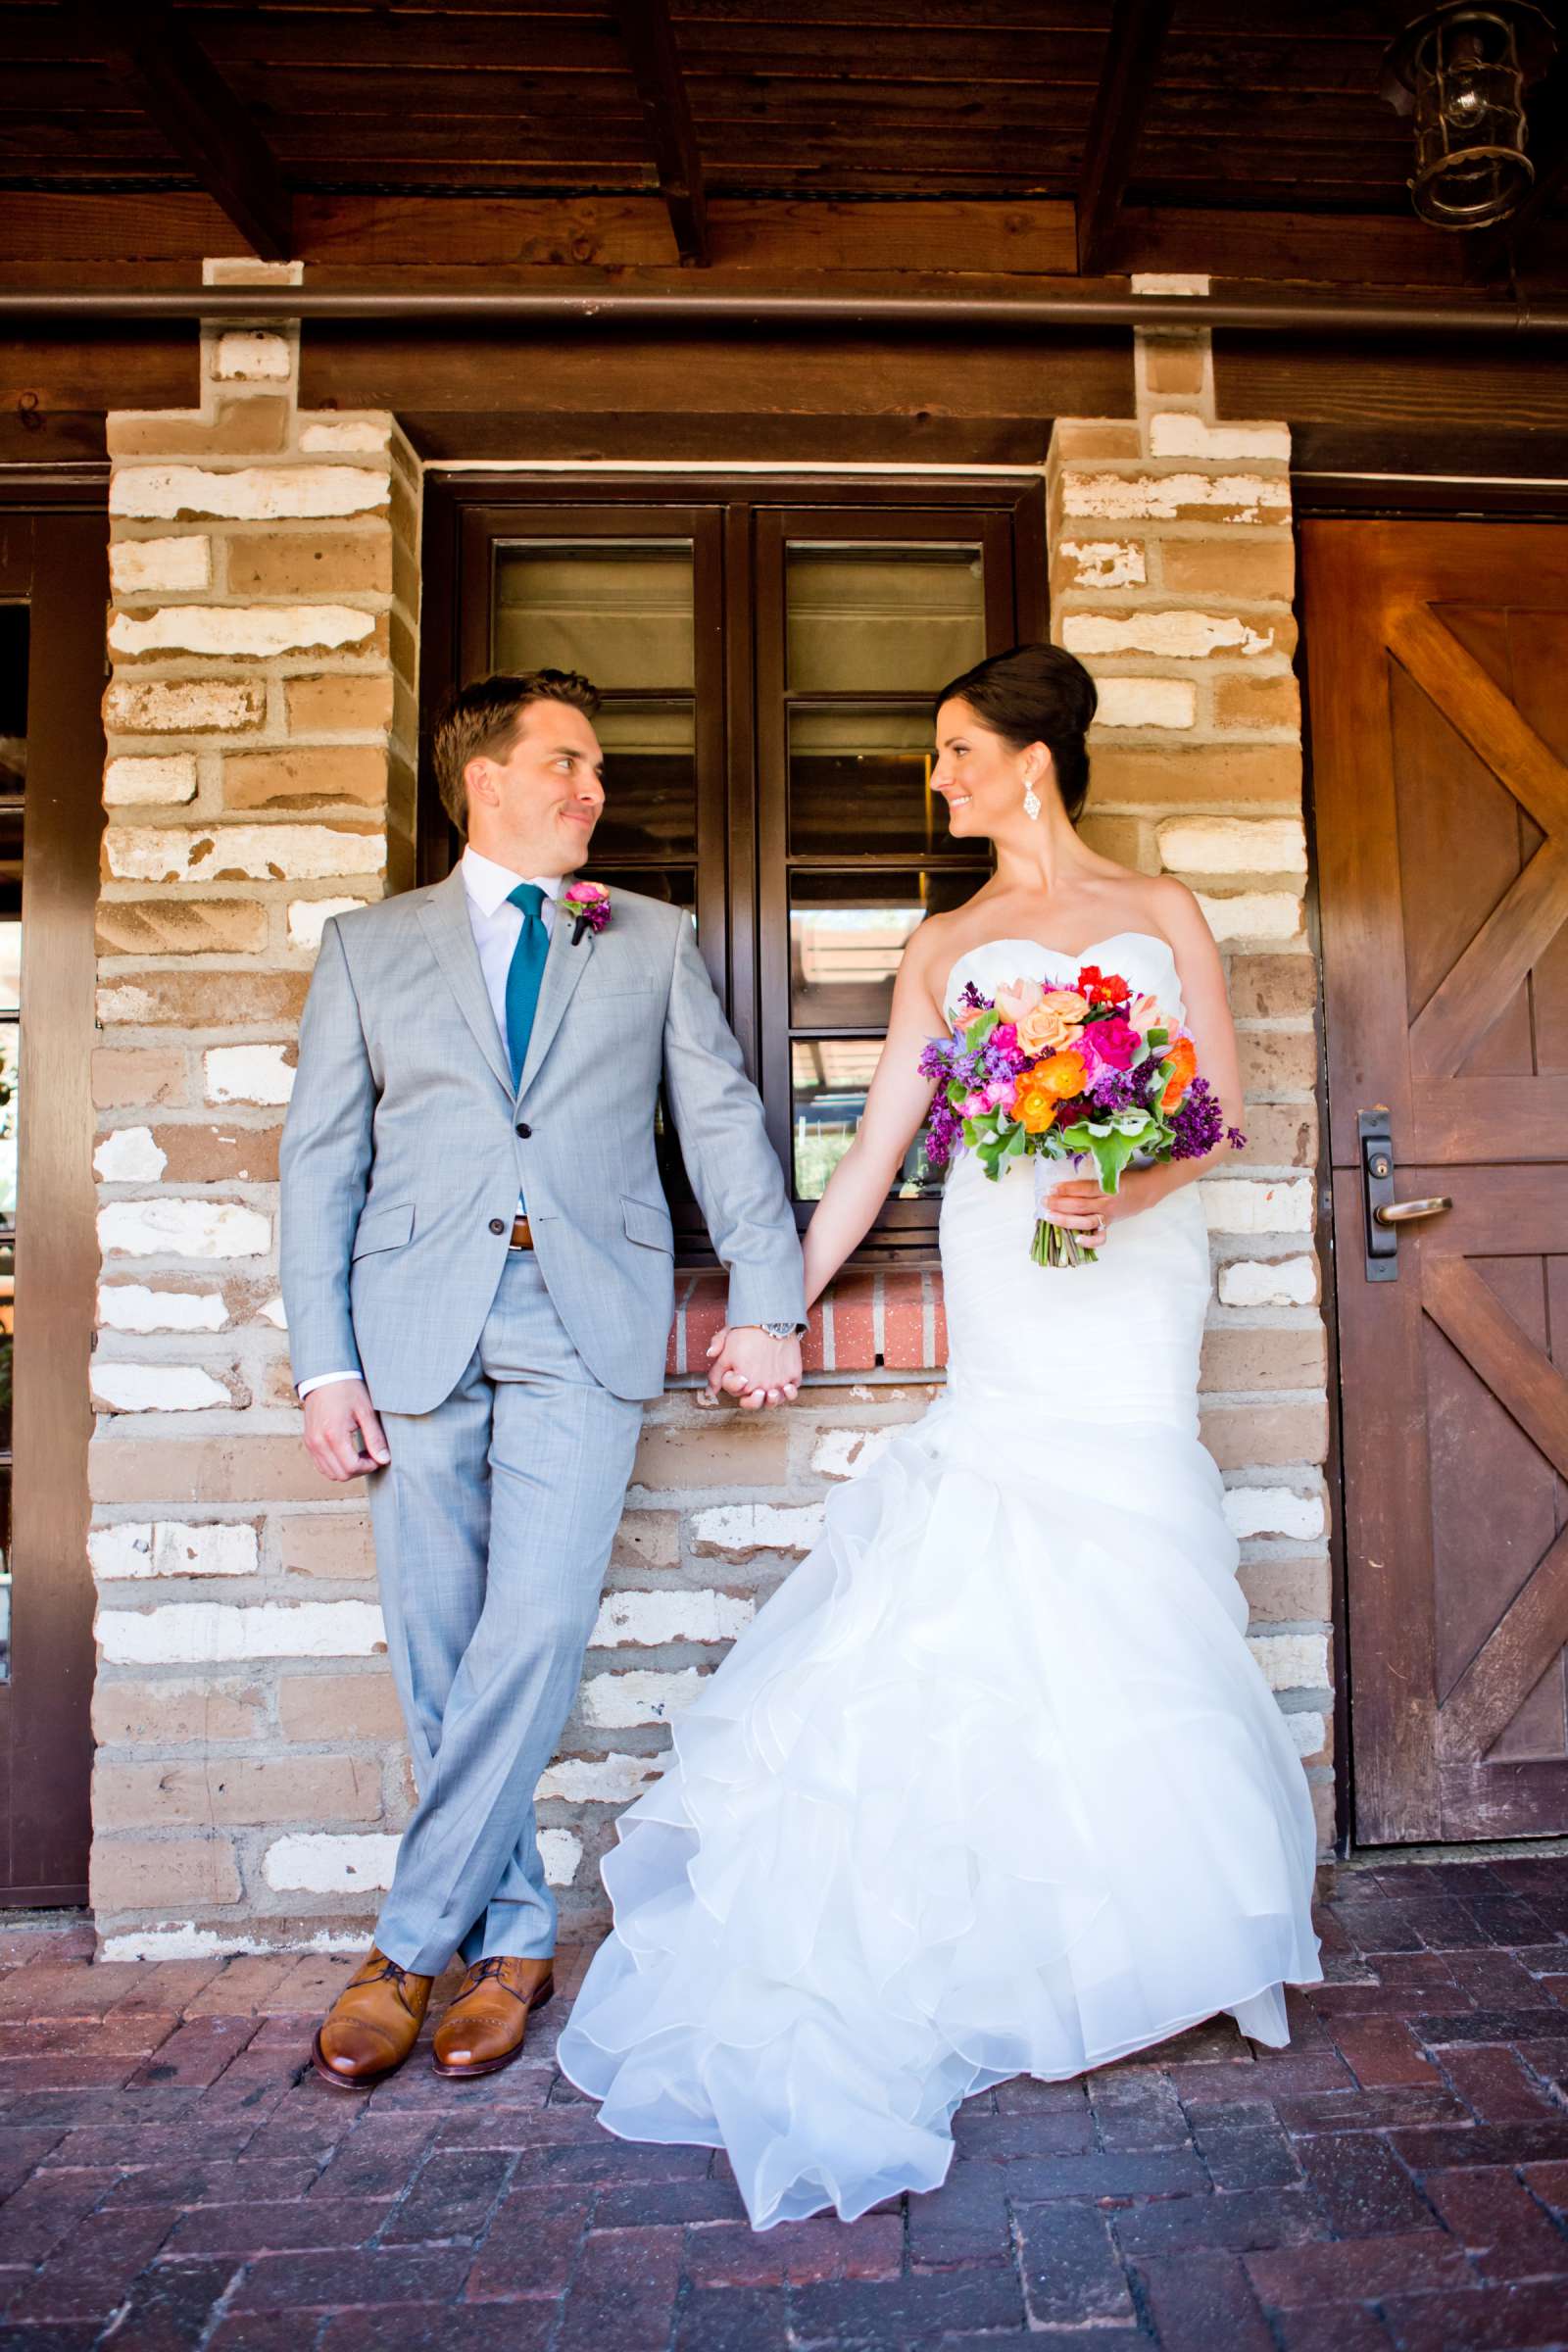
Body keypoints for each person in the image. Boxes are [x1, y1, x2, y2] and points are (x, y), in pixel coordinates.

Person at [558, 643, 1322, 2228]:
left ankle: (1158, 1926)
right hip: (1007, 1251)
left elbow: (1219, 1110)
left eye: (960, 749)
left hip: (1132, 1255)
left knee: (1134, 1536)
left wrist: (1132, 1185)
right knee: (1002, 1526)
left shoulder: (1164, 914)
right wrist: (774, 1304)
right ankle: (1003, 1927)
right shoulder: (948, 945)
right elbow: (877, 1151)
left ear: (1033, 760)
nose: (943, 776)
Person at [279, 668, 805, 2091]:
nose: (594, 791)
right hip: (411, 1324)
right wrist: (323, 1361)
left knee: (532, 1625)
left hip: (586, 1315)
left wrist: (766, 1296)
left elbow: (722, 1121)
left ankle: (404, 1947)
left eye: (596, 767)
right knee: (437, 1638)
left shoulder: (646, 938)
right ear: (487, 779)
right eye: (568, 762)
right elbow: (321, 1164)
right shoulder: (366, 948)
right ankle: (509, 1940)